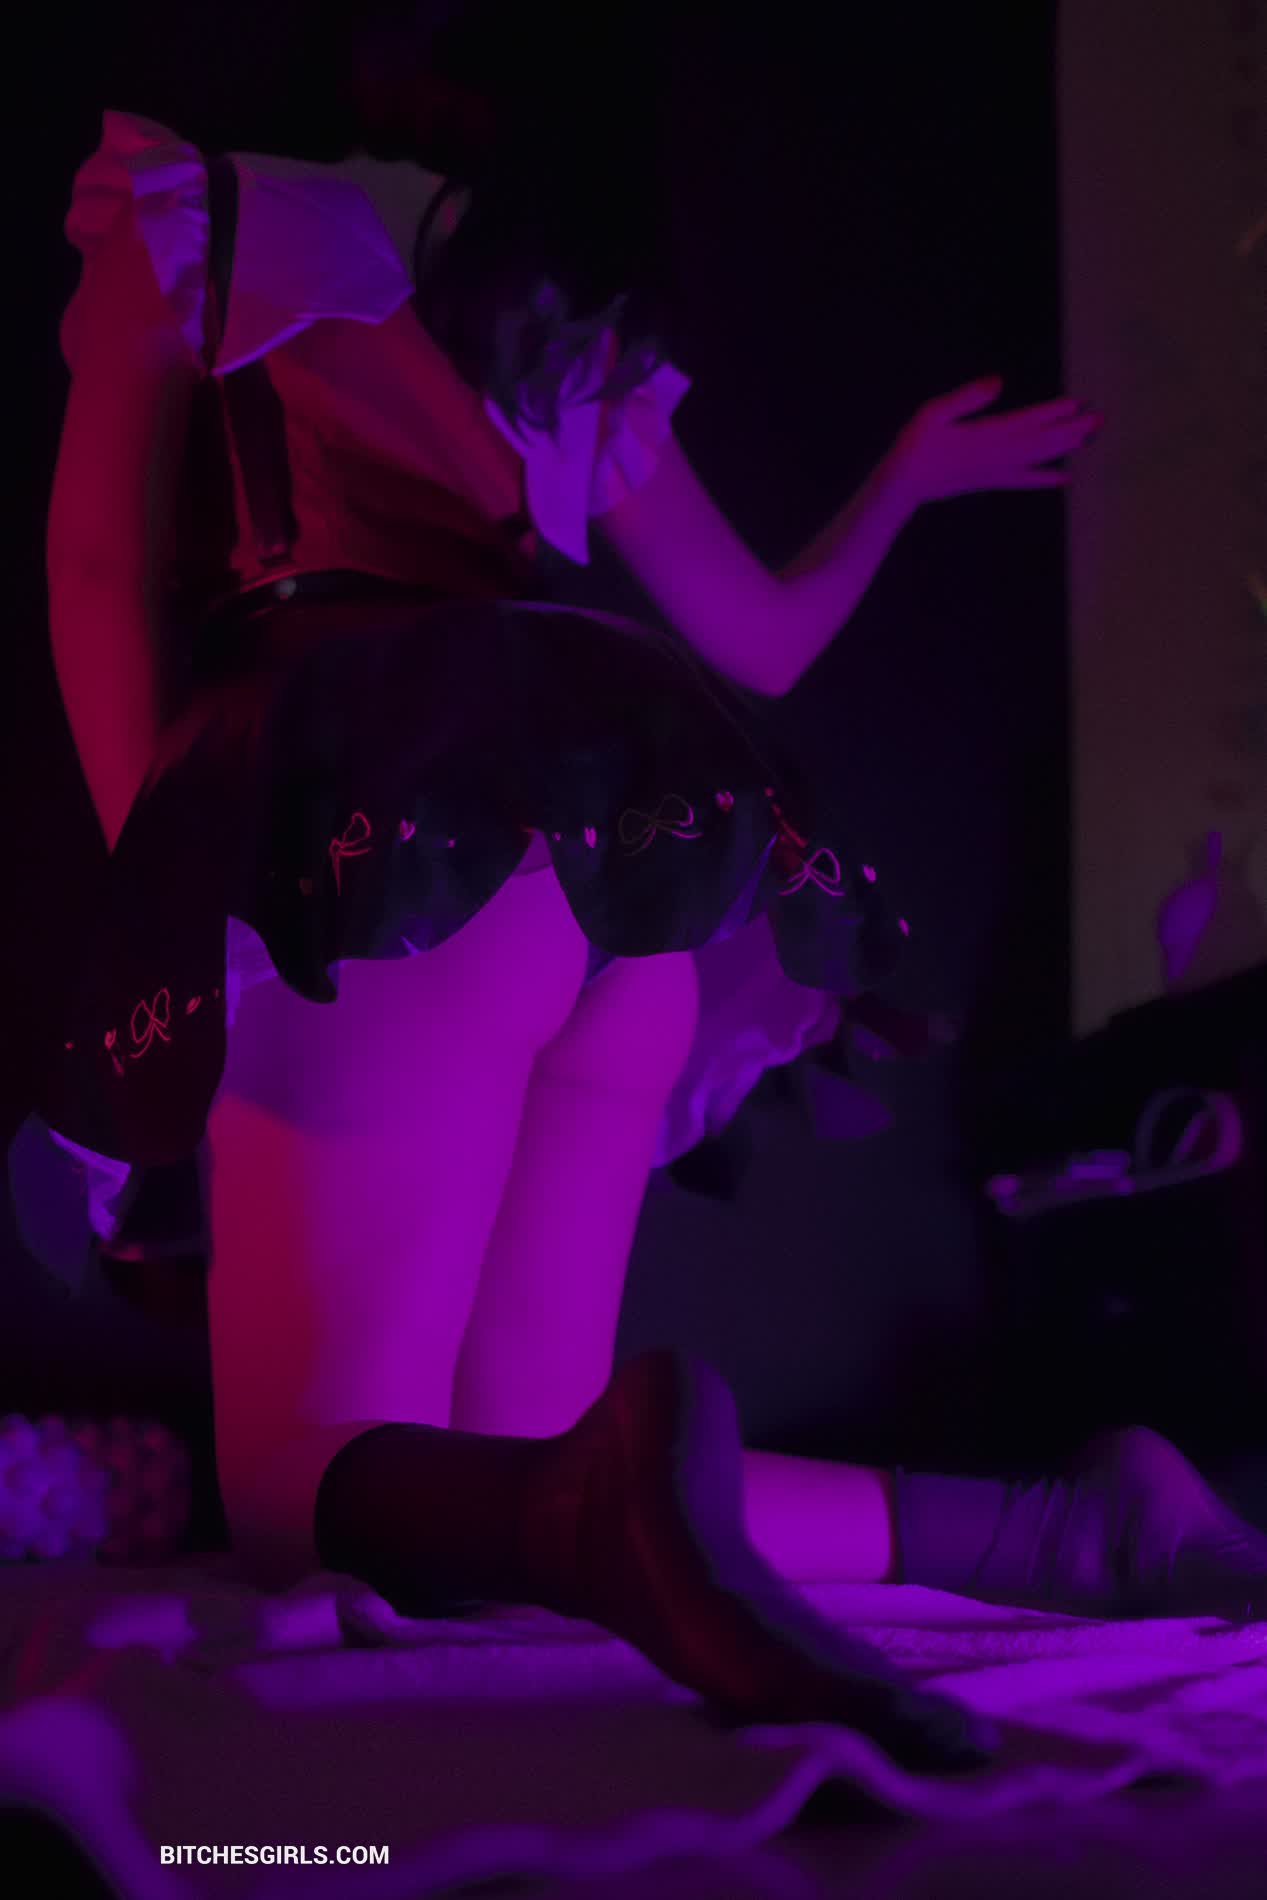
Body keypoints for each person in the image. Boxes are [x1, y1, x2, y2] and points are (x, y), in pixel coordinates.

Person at [25, 0, 1267, 1772]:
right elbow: (763, 642)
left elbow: (94, 572)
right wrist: (905, 479)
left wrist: (176, 896)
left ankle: (789, 1518)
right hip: (626, 866)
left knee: (301, 1500)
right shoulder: (568, 301)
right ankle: (1066, 1530)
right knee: (521, 1462)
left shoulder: (201, 209)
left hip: (385, 846)